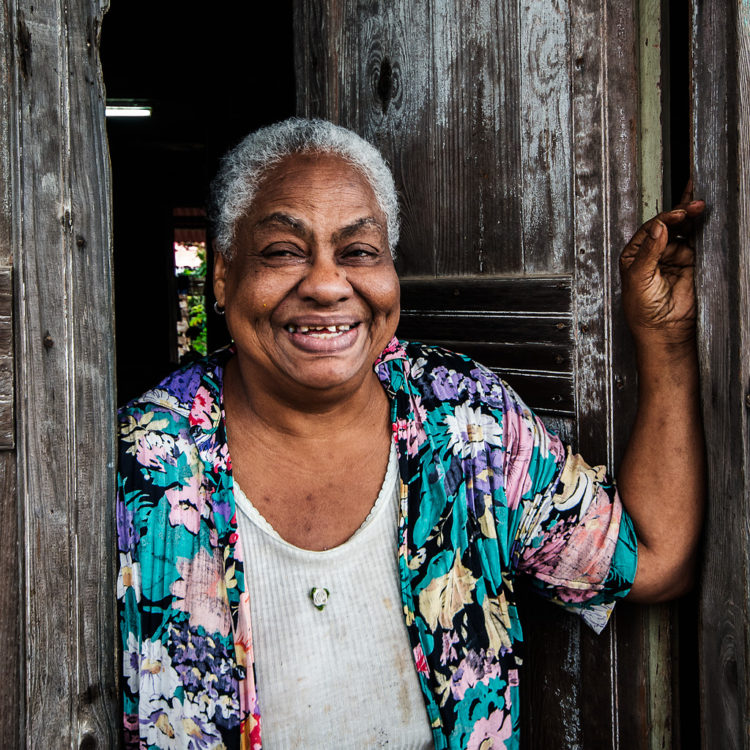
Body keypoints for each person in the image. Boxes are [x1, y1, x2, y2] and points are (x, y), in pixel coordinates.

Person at [116, 118, 704, 750]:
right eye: (284, 251)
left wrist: (663, 339)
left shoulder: (465, 420)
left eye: (359, 252)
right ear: (224, 276)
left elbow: (654, 563)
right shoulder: (141, 465)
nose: (324, 284)